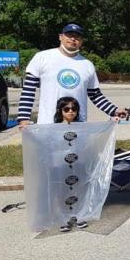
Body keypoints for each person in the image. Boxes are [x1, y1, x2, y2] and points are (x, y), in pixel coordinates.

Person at [17, 23, 126, 127]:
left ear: (81, 41)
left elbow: (95, 95)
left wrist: (114, 110)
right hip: (47, 124)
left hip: (79, 125)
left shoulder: (87, 65)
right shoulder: (42, 57)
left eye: (77, 36)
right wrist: (23, 118)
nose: (73, 39)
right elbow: (28, 90)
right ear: (60, 37)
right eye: (69, 35)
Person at [53, 96, 88, 232]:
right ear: (60, 110)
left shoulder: (82, 127)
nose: (70, 112)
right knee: (61, 192)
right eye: (66, 109)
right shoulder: (53, 129)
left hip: (78, 164)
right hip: (59, 165)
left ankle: (79, 215)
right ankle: (63, 218)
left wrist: (111, 122)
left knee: (78, 190)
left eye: (74, 109)